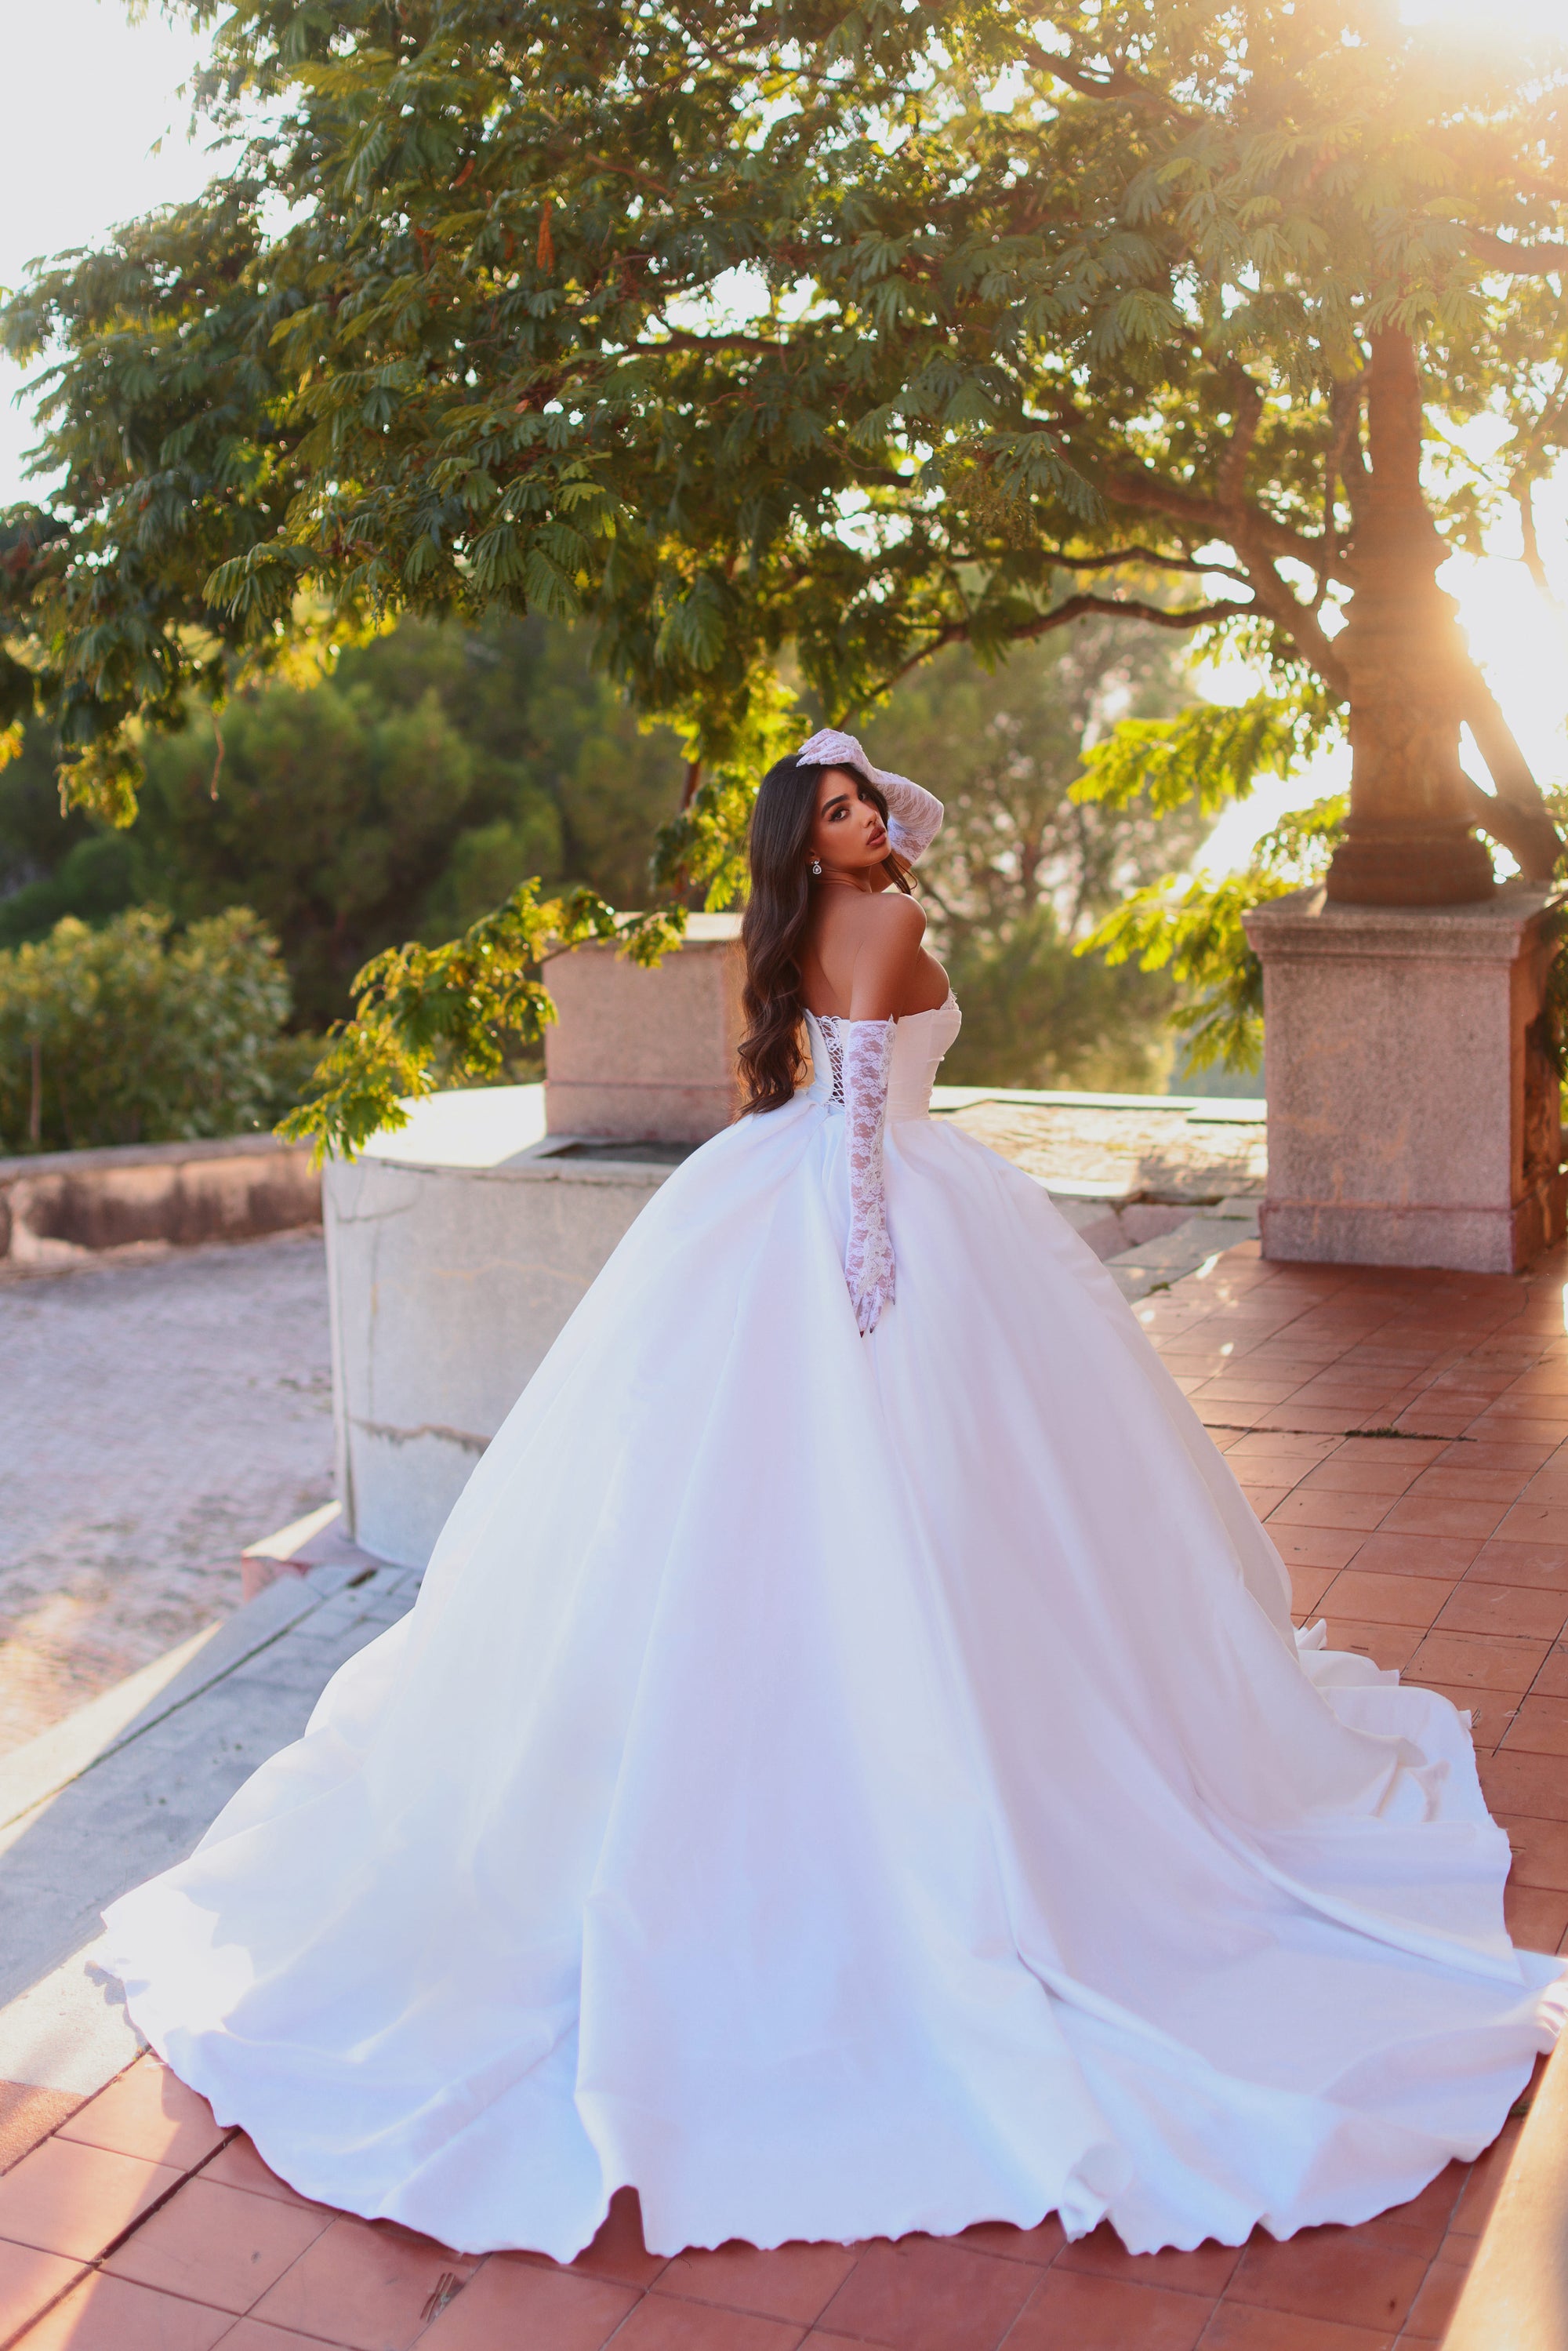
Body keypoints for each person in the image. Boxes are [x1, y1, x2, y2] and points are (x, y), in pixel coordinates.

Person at [103, 729, 1563, 2265]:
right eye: (843, 806)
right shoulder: (880, 919)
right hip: (870, 1212)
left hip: (779, 1197)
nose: (874, 819)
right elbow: (863, 1113)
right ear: (814, 840)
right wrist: (872, 1278)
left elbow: (852, 1005)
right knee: (932, 1522)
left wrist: (831, 801)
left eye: (870, 800)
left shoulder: (807, 917)